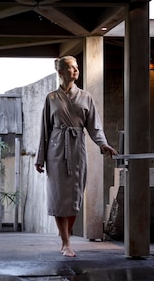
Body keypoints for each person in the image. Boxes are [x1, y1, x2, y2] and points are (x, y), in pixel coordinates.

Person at [35, 55, 118, 257]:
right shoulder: (51, 98)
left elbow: (94, 126)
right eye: (71, 68)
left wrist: (103, 144)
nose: (76, 70)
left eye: (77, 67)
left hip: (76, 150)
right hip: (56, 151)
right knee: (58, 197)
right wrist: (40, 158)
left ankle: (67, 234)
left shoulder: (86, 97)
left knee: (74, 197)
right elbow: (44, 130)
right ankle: (65, 242)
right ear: (61, 71)